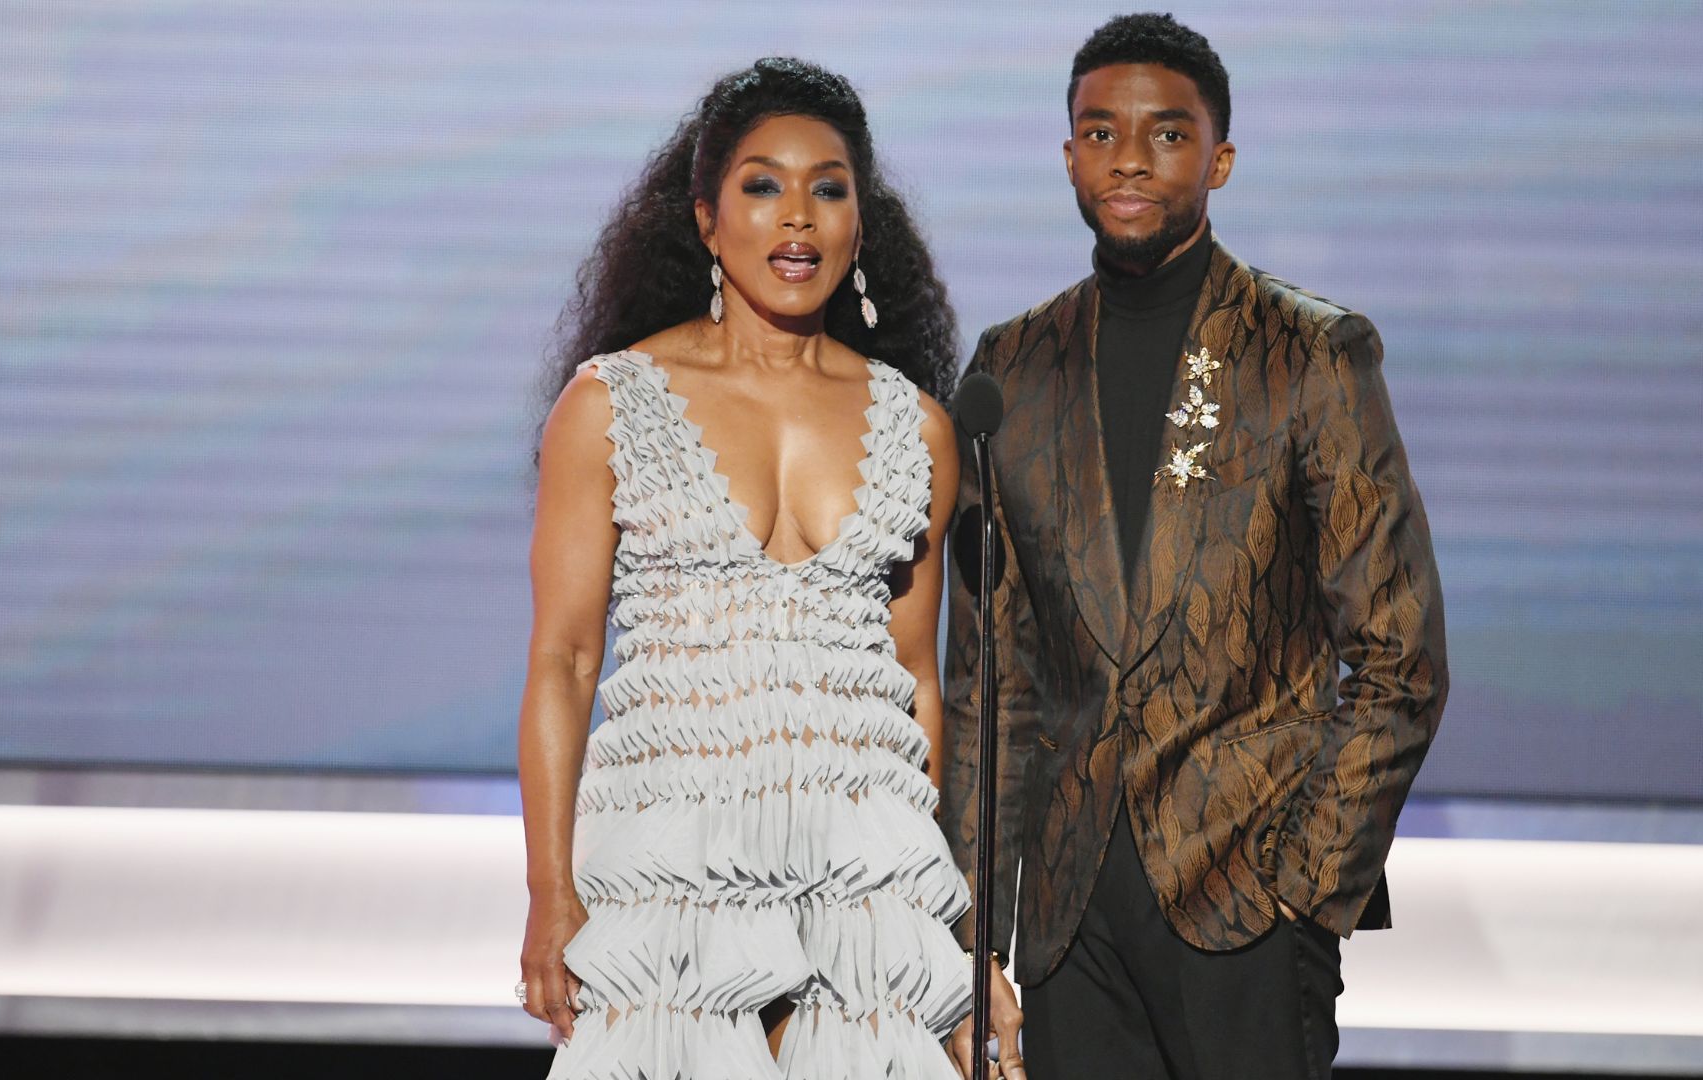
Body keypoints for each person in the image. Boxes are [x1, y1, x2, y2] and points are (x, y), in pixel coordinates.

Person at [942, 15, 1448, 1080]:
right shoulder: (1012, 368)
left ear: (1218, 158)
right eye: (1100, 131)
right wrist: (973, 933)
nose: (1129, 156)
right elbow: (993, 680)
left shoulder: (1310, 353)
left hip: (1251, 903)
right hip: (1070, 919)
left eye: (1166, 135)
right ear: (1069, 152)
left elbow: (1400, 653)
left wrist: (1309, 882)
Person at [517, 57, 972, 1077]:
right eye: (763, 185)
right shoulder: (609, 404)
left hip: (858, 886)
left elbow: (919, 686)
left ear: (862, 222)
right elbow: (564, 662)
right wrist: (553, 892)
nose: (796, 218)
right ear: (707, 219)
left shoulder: (918, 427)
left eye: (828, 187)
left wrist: (933, 917)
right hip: (674, 875)